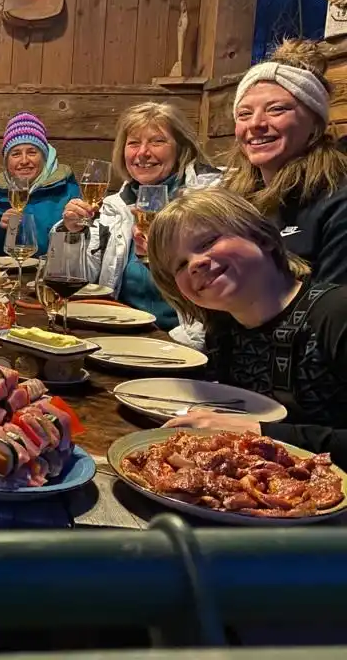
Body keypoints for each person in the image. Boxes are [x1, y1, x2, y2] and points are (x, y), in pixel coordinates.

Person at [146, 187, 347, 468]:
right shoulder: (222, 331)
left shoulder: (336, 314)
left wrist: (261, 434)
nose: (196, 263)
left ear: (262, 237)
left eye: (208, 242)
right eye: (179, 264)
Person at [59, 101, 223, 332]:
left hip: (186, 342)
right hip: (120, 331)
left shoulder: (210, 202)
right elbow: (81, 279)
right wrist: (72, 235)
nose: (143, 153)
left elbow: (220, 295)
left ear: (181, 148)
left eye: (157, 141)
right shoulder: (116, 206)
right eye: (134, 143)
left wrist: (162, 254)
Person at [223, 38, 347, 284]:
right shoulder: (231, 197)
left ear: (315, 124)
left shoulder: (337, 202)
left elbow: (332, 313)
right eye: (244, 114)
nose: (256, 124)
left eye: (277, 109)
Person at [0, 111, 80, 257]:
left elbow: (82, 243)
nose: (24, 160)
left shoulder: (67, 190)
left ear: (45, 157)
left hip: (49, 275)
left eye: (32, 152)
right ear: (7, 162)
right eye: (16, 154)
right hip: (6, 277)